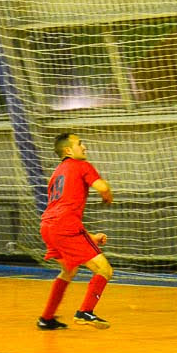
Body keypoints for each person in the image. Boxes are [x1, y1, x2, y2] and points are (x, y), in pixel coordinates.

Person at [37, 133, 114, 330]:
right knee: (104, 270)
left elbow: (63, 210)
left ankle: (46, 318)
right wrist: (107, 195)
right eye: (80, 144)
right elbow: (102, 187)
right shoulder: (81, 166)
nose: (85, 147)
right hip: (65, 227)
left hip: (48, 226)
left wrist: (89, 237)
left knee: (68, 271)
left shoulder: (56, 174)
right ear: (68, 150)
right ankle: (85, 312)